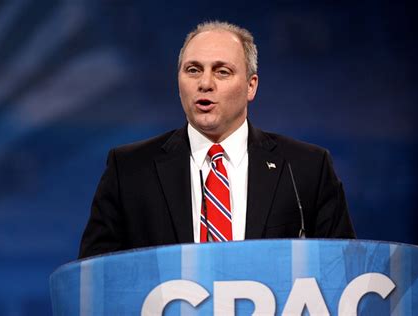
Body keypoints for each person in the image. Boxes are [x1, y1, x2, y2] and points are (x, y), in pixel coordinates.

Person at [78, 21, 355, 259]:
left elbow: (342, 274)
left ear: (251, 86)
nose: (205, 83)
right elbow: (95, 281)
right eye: (193, 70)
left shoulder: (305, 169)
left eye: (222, 71)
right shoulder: (129, 170)